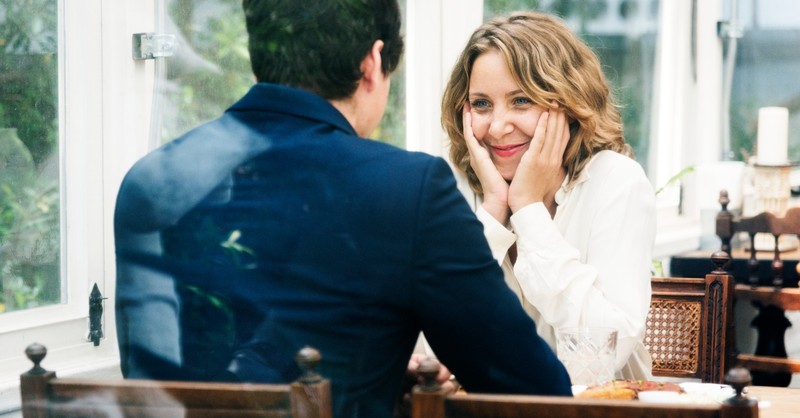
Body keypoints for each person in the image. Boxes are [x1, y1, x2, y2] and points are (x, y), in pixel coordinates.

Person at [114, 1, 571, 417]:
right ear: (372, 63)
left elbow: (168, 379)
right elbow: (535, 392)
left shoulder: (151, 180)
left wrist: (379, 376)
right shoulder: (407, 188)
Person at [441, 11, 657, 380]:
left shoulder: (615, 182)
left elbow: (599, 355)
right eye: (481, 104)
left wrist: (527, 209)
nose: (497, 126)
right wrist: (494, 210)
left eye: (521, 100)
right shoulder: (457, 188)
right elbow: (436, 347)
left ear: (567, 103)